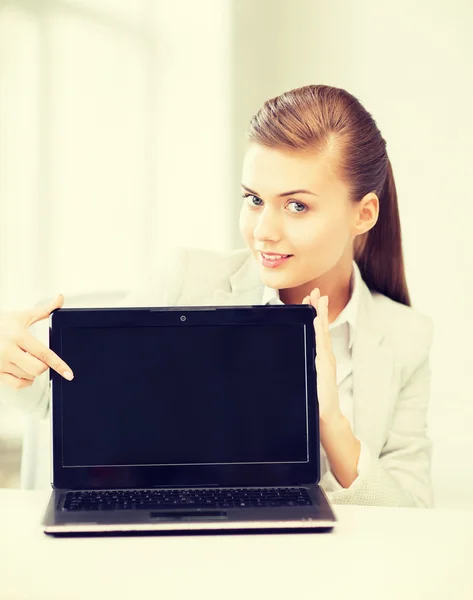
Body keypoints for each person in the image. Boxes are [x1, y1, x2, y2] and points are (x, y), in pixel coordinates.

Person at [0, 84, 434, 507]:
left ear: (364, 213)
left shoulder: (405, 337)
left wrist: (330, 423)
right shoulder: (186, 280)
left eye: (297, 205)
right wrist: (10, 355)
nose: (264, 231)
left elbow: (413, 515)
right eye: (254, 199)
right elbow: (66, 399)